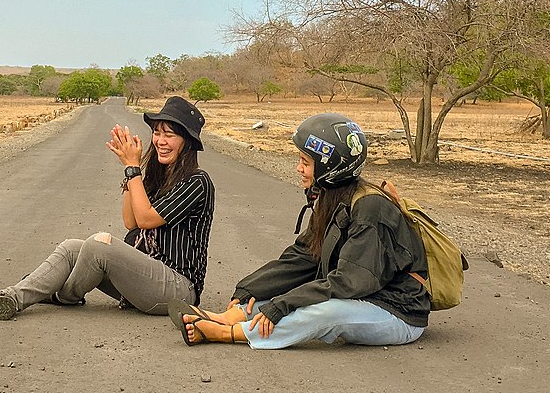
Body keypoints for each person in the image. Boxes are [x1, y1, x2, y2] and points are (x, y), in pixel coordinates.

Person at [171, 113, 428, 349]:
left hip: (397, 313)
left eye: (305, 162)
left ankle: (229, 333)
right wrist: (252, 289)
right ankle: (228, 318)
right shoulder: (334, 198)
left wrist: (283, 303)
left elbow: (350, 282)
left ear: (330, 167)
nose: (299, 169)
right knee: (283, 299)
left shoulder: (370, 209)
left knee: (325, 311)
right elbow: (303, 257)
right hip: (365, 299)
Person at [0, 96, 215, 320]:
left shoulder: (197, 182)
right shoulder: (163, 175)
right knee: (72, 247)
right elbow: (130, 223)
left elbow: (145, 220)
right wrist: (131, 173)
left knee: (100, 246)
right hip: (146, 277)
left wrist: (133, 168)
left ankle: (61, 294)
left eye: (169, 135)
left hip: (178, 290)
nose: (160, 141)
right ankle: (9, 299)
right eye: (157, 133)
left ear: (187, 142)